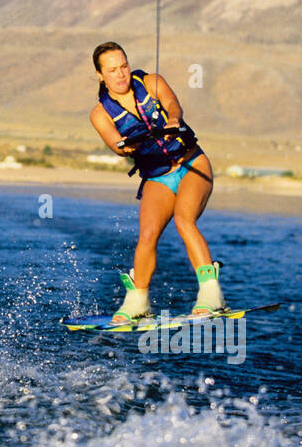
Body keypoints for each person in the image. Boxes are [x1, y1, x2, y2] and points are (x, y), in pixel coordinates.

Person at [88, 41, 222, 323]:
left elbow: (173, 105)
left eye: (123, 66)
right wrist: (126, 147)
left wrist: (173, 119)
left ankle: (211, 294)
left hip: (191, 165)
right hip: (157, 177)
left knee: (184, 220)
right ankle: (138, 301)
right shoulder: (100, 114)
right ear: (101, 75)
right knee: (147, 235)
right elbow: (116, 144)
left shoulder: (151, 82)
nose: (121, 74)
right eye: (112, 70)